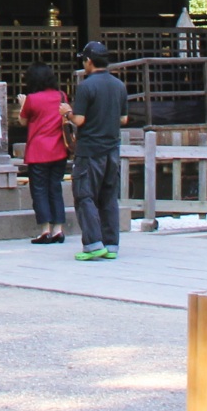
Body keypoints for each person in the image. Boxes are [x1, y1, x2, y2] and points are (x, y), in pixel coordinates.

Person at [69, 42, 128, 261]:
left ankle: (93, 243)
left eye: (83, 60)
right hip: (112, 148)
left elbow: (79, 119)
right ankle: (111, 244)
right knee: (109, 196)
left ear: (89, 61)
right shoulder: (118, 85)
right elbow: (124, 118)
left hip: (90, 149)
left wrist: (67, 113)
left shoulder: (86, 86)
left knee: (85, 195)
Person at [17, 63, 71, 244]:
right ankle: (58, 229)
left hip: (38, 150)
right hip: (59, 149)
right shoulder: (61, 95)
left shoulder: (32, 99)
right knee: (55, 188)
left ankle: (45, 229)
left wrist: (22, 104)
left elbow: (23, 122)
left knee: (39, 190)